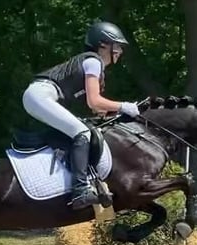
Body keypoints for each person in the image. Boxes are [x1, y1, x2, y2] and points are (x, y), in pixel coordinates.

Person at [22, 21, 141, 209]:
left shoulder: (93, 65)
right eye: (117, 46)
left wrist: (121, 113)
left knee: (85, 131)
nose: (120, 51)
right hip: (40, 94)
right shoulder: (93, 62)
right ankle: (80, 192)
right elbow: (95, 101)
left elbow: (96, 110)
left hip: (41, 96)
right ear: (103, 44)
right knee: (82, 133)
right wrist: (124, 106)